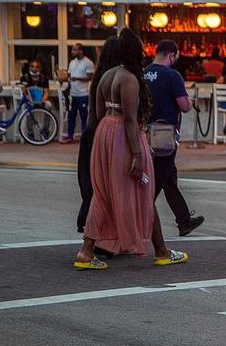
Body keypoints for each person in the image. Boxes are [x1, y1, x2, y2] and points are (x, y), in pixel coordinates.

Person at [74, 28, 188, 270]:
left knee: (102, 193)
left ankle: (86, 251)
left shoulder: (106, 76)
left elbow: (97, 114)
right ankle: (162, 251)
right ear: (134, 51)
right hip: (124, 137)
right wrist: (137, 154)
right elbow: (128, 119)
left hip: (104, 133)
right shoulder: (130, 79)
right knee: (144, 191)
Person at [145, 40, 205, 236]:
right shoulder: (172, 75)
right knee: (157, 180)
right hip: (165, 134)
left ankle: (184, 219)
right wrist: (188, 99)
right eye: (176, 57)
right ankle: (138, 217)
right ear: (171, 54)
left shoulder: (144, 73)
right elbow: (185, 106)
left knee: (168, 176)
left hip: (146, 130)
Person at [77, 36, 120, 233]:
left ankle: (87, 222)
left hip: (91, 132)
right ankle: (98, 235)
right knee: (105, 187)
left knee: (92, 185)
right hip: (104, 134)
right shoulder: (115, 78)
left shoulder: (98, 77)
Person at [63, 43, 95, 143]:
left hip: (83, 94)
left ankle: (84, 137)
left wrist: (77, 78)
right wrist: (62, 77)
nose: (73, 52)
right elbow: (68, 75)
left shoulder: (88, 62)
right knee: (71, 115)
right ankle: (70, 136)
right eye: (72, 50)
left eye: (75, 50)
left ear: (80, 51)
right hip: (73, 94)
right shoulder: (72, 62)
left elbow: (90, 77)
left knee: (84, 116)